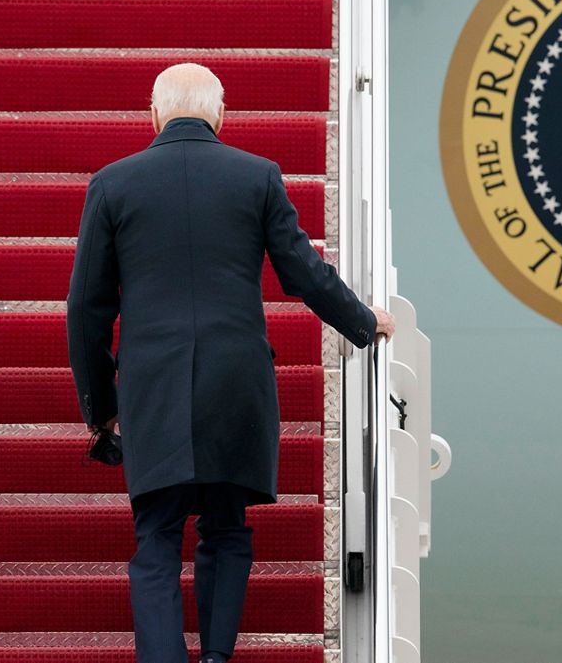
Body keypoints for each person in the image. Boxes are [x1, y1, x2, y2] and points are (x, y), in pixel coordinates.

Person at [65, 62, 394, 663]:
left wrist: (101, 408)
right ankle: (216, 657)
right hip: (235, 382)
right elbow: (305, 276)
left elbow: (87, 307)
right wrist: (365, 323)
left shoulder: (113, 184)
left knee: (156, 537)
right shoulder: (257, 176)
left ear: (154, 112)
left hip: (154, 387)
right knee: (227, 525)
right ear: (220, 114)